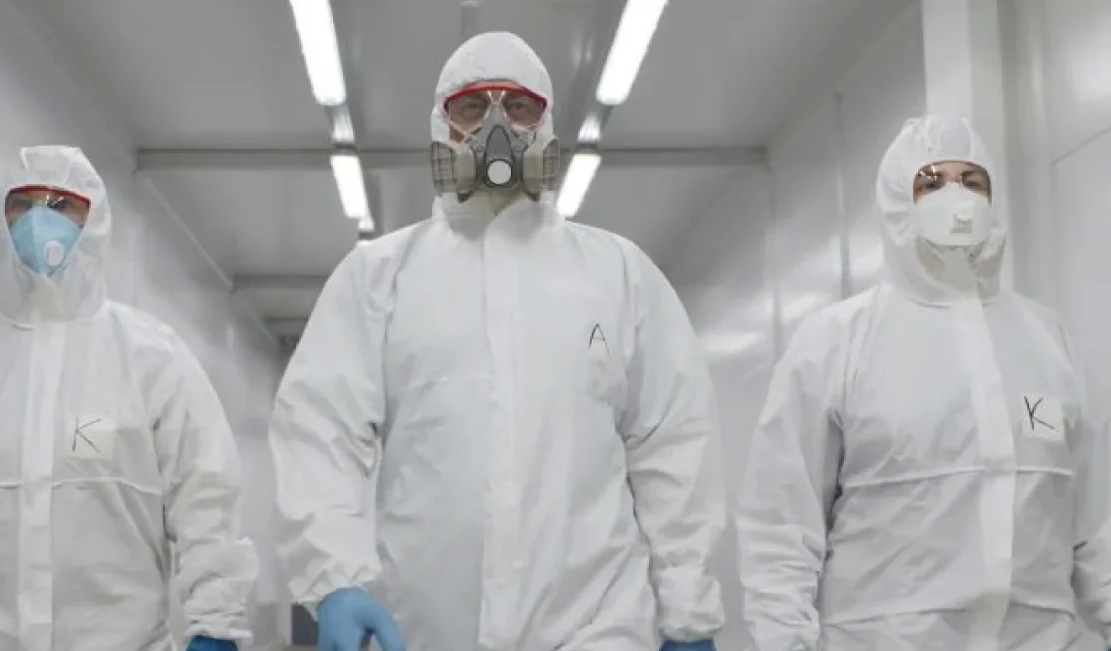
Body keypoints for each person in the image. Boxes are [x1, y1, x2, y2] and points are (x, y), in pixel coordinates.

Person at [270, 31, 725, 651]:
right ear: (442, 125)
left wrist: (687, 611)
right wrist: (335, 580)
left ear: (546, 124)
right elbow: (319, 433)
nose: (496, 127)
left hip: (598, 626)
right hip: (427, 628)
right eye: (471, 108)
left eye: (518, 107)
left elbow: (672, 447)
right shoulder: (380, 278)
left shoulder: (619, 276)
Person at [736, 114, 1111, 651]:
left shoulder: (1045, 338)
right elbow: (781, 521)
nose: (956, 196)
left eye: (973, 181)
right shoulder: (836, 343)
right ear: (896, 201)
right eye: (932, 182)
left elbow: (1096, 519)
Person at [0, 146, 256, 651]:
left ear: (94, 220)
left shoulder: (150, 359)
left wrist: (215, 625)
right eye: (22, 204)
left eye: (61, 204)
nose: (39, 219)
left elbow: (206, 498)